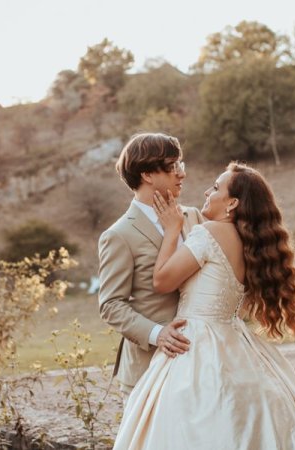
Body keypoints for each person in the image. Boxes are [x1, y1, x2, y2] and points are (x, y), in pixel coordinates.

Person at [113, 162, 295, 449]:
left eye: (216, 187)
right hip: (234, 339)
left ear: (232, 203)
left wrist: (172, 230)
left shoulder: (210, 232)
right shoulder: (251, 242)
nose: (207, 191)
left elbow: (162, 281)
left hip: (198, 342)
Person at [98, 132, 205, 398]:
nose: (181, 174)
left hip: (201, 360)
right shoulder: (119, 235)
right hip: (148, 369)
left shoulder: (194, 216)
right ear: (147, 175)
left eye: (181, 165)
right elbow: (111, 305)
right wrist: (158, 334)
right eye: (172, 167)